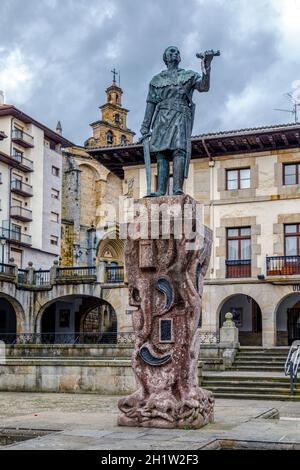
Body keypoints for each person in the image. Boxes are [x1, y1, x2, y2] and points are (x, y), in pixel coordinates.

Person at [140, 46, 216, 196]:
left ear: (179, 58)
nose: (175, 54)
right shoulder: (156, 80)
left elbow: (204, 87)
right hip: (161, 118)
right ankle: (161, 190)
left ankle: (177, 189)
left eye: (177, 52)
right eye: (171, 52)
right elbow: (150, 104)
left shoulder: (188, 75)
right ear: (166, 58)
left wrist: (207, 65)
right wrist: (145, 127)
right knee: (161, 153)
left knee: (178, 150)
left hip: (180, 116)